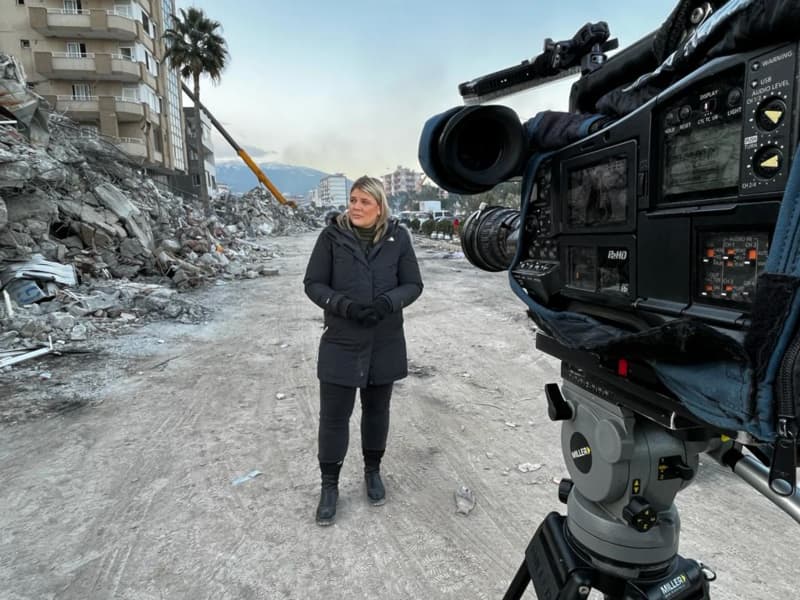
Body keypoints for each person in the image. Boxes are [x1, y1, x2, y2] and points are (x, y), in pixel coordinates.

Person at [303, 176, 423, 526]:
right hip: (341, 339)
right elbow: (313, 283)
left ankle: (373, 472)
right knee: (334, 417)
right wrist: (344, 306)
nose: (355, 206)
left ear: (379, 206)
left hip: (384, 341)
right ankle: (329, 486)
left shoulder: (398, 237)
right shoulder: (331, 237)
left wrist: (388, 302)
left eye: (363, 202)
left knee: (376, 412)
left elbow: (413, 284)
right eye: (353, 200)